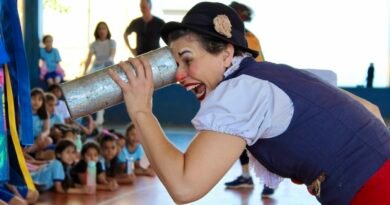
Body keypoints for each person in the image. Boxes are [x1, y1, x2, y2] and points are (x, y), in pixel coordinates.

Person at [109, 2, 390, 204]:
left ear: (226, 53)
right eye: (175, 64)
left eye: (187, 59)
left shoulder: (241, 92)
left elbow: (184, 187)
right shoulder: (278, 73)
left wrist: (141, 110)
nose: (180, 76)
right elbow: (372, 111)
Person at [224, 1, 273, 197]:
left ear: (241, 16)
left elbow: (258, 67)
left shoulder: (249, 38)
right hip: (237, 93)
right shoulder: (229, 37)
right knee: (240, 138)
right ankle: (245, 176)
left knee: (261, 140)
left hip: (254, 93)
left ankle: (270, 180)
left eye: (233, 13)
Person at [30, 139, 95, 194]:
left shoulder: (67, 166)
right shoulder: (57, 164)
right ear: (59, 154)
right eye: (68, 152)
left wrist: (82, 187)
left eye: (73, 152)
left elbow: (69, 184)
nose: (71, 156)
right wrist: (81, 191)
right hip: (28, 182)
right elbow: (59, 189)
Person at [83, 21, 116, 125]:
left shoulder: (112, 42)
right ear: (97, 31)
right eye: (100, 29)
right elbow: (89, 59)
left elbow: (112, 55)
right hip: (95, 68)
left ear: (107, 30)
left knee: (102, 92)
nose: (102, 31)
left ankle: (100, 117)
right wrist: (85, 71)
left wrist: (108, 63)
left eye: (104, 28)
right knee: (94, 92)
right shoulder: (93, 44)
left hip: (107, 67)